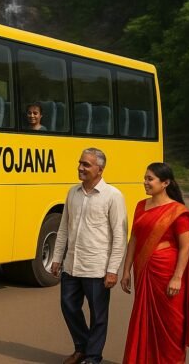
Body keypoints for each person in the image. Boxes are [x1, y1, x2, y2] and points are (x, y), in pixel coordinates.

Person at [120, 162, 189, 363]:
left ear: (165, 183)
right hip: (144, 271)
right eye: (145, 178)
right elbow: (134, 239)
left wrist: (177, 278)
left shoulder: (177, 211)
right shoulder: (140, 206)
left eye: (149, 178)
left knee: (171, 324)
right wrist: (125, 270)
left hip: (167, 274)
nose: (145, 182)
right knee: (144, 321)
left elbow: (185, 247)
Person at [51, 148, 127, 364]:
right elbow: (64, 227)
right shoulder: (72, 192)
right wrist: (57, 257)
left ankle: (93, 357)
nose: (80, 168)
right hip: (72, 264)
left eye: (86, 165)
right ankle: (82, 347)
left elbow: (119, 236)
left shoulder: (113, 196)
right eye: (80, 163)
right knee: (69, 306)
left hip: (97, 267)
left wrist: (113, 270)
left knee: (98, 317)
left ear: (100, 169)